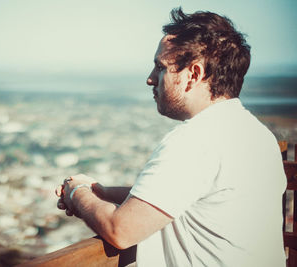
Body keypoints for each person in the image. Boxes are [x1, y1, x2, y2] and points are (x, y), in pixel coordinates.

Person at [55, 7, 286, 267]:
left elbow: (120, 230)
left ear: (194, 75)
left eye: (160, 67)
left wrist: (77, 193)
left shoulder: (196, 140)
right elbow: (191, 198)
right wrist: (103, 192)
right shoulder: (256, 134)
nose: (150, 79)